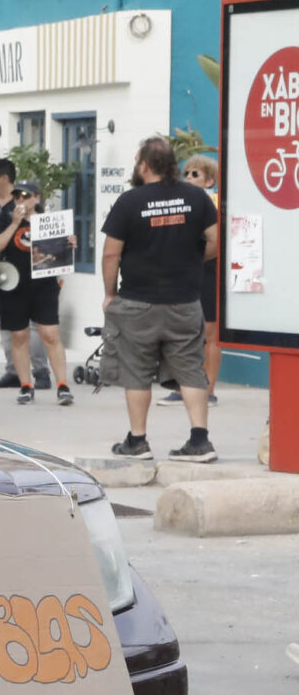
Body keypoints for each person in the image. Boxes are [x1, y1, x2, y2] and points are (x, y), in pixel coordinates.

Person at [101, 136, 220, 462]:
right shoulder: (197, 197)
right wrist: (195, 260)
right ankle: (199, 441)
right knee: (192, 370)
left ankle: (137, 441)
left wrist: (110, 294)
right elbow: (216, 240)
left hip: (138, 302)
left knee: (137, 372)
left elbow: (111, 254)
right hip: (184, 302)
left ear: (144, 165)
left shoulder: (129, 201)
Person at [0, 163, 72, 407]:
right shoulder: (4, 217)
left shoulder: (48, 220)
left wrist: (69, 243)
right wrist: (14, 224)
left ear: (37, 198)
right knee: (18, 335)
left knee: (50, 333)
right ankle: (26, 385)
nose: (21, 199)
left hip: (43, 284)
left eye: (27, 196)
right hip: (13, 283)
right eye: (18, 195)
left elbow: (59, 253)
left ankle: (62, 385)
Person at [180, 152, 225, 399]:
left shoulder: (214, 203)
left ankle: (208, 388)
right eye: (186, 173)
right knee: (189, 332)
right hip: (189, 272)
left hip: (210, 271)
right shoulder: (184, 203)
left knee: (209, 332)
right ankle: (187, 385)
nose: (188, 178)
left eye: (194, 174)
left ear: (209, 180)